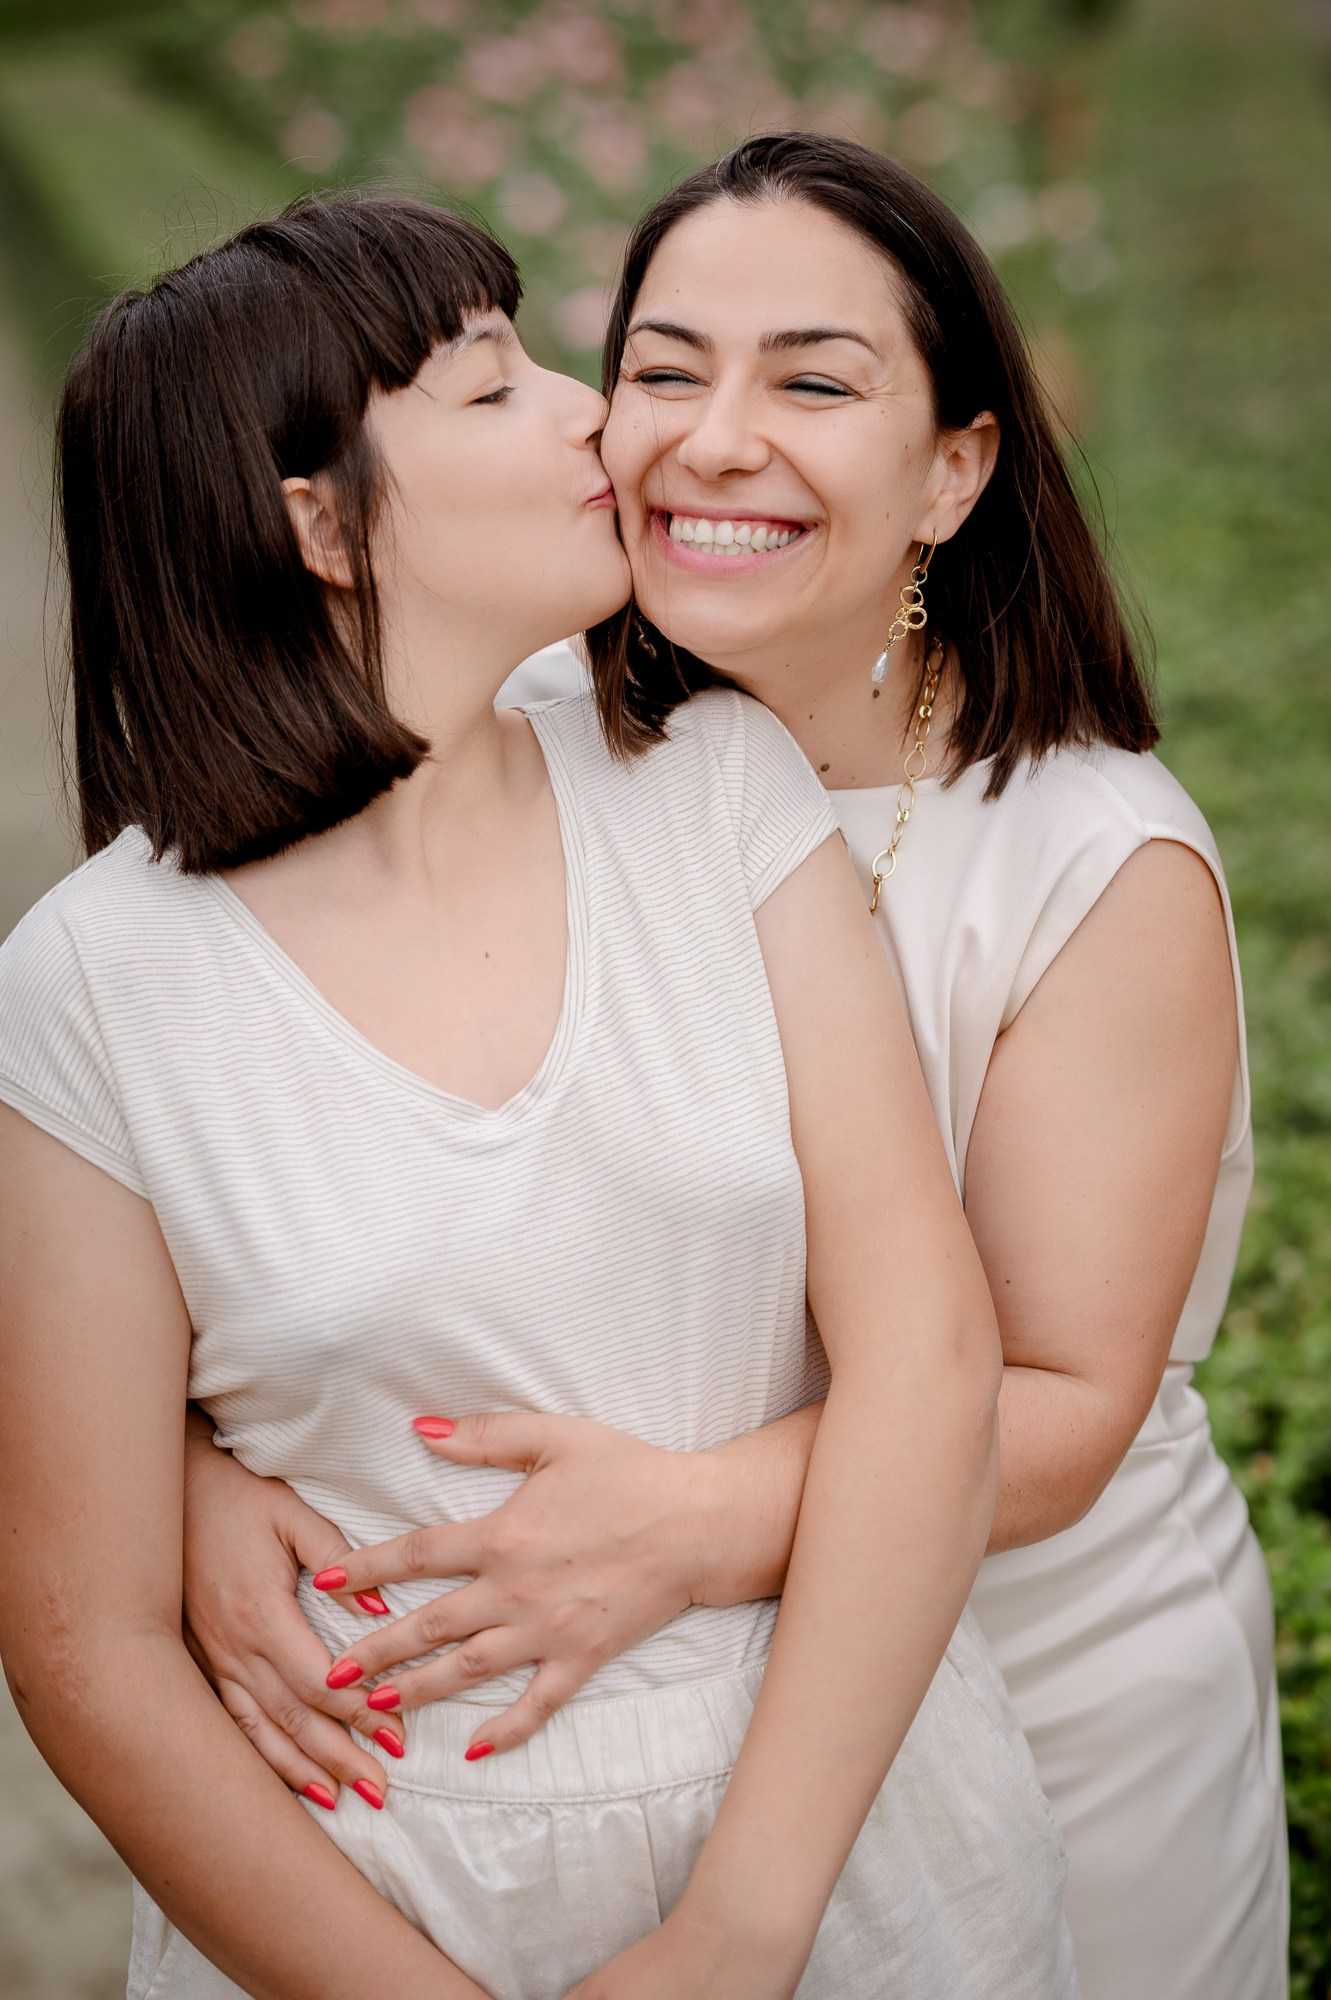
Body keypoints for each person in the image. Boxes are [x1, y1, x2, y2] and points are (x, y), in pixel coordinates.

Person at [177, 136, 1288, 2000]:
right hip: (631, 1724)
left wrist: (679, 1525)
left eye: (815, 382)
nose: (711, 437)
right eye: (666, 367)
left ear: (958, 472)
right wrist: (195, 1475)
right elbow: (242, 1121)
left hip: (1052, 1679)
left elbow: (1069, 1400)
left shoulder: (1093, 862)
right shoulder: (503, 735)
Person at [0, 191, 1077, 1999]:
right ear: (321, 520)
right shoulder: (95, 984)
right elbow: (83, 1642)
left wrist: (741, 1931)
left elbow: (929, 1352)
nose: (599, 413)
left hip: (840, 1838)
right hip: (379, 1879)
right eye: (496, 388)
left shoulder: (714, 785)